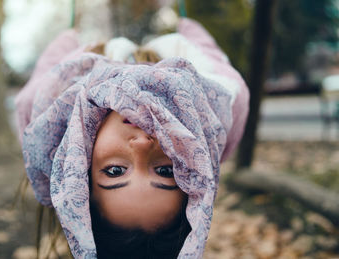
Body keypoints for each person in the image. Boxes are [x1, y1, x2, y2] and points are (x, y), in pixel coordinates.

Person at [16, 18, 249, 258]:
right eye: (166, 171)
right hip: (174, 51)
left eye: (115, 171)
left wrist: (68, 36)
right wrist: (188, 24)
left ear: (79, 171)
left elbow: (49, 62)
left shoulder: (44, 113)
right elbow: (211, 53)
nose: (141, 145)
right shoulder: (220, 110)